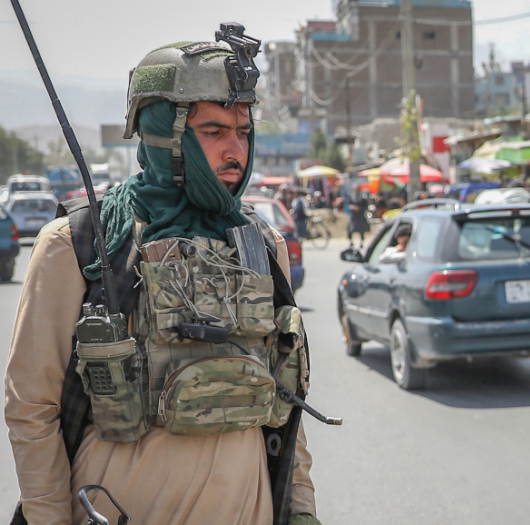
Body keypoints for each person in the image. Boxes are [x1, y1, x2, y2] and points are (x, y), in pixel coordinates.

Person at [5, 28, 321, 525]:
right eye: (214, 132)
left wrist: (301, 509)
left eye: (243, 131)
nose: (235, 150)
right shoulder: (79, 245)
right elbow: (32, 408)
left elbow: (289, 405)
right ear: (163, 137)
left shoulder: (262, 245)